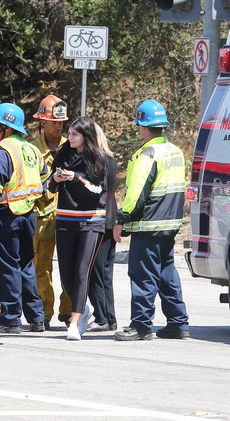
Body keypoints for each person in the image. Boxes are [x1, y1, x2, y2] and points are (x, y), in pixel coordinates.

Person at [113, 99, 189, 341]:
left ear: (143, 126)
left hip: (148, 226)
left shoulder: (146, 154)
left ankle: (142, 326)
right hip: (170, 225)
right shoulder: (176, 151)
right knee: (167, 274)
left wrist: (122, 219)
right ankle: (178, 323)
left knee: (143, 276)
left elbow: (136, 195)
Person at [0, 102, 47, 334]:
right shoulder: (32, 149)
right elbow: (45, 177)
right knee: (25, 265)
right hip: (28, 214)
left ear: (6, 129)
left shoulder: (2, 151)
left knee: (7, 267)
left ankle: (11, 319)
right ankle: (36, 317)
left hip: (6, 215)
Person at [49, 116, 108, 341]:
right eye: (70, 133)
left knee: (82, 271)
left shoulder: (98, 158)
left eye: (75, 134)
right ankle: (83, 307)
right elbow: (50, 187)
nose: (70, 137)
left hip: (91, 221)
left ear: (86, 136)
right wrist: (55, 179)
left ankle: (74, 322)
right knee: (66, 275)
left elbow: (96, 191)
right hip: (65, 219)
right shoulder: (63, 154)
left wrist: (75, 178)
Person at [30, 94, 72, 330]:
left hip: (68, 218)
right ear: (42, 122)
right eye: (53, 122)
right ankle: (44, 312)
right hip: (42, 218)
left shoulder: (72, 145)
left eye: (61, 122)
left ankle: (67, 311)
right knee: (41, 269)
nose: (58, 126)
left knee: (69, 267)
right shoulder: (32, 150)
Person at [87, 123, 118, 332]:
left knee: (95, 271)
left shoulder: (97, 160)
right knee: (105, 272)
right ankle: (110, 317)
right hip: (111, 216)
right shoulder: (111, 159)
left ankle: (102, 317)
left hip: (99, 218)